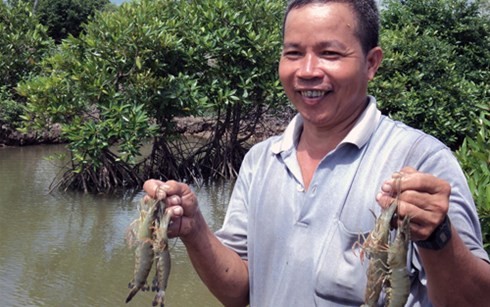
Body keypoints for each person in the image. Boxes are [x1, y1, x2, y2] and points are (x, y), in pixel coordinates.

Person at [143, 0, 490, 306]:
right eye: (293, 53)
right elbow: (240, 292)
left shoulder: (422, 159)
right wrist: (194, 229)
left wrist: (438, 235)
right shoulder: (260, 160)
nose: (307, 71)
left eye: (330, 53)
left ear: (371, 63)